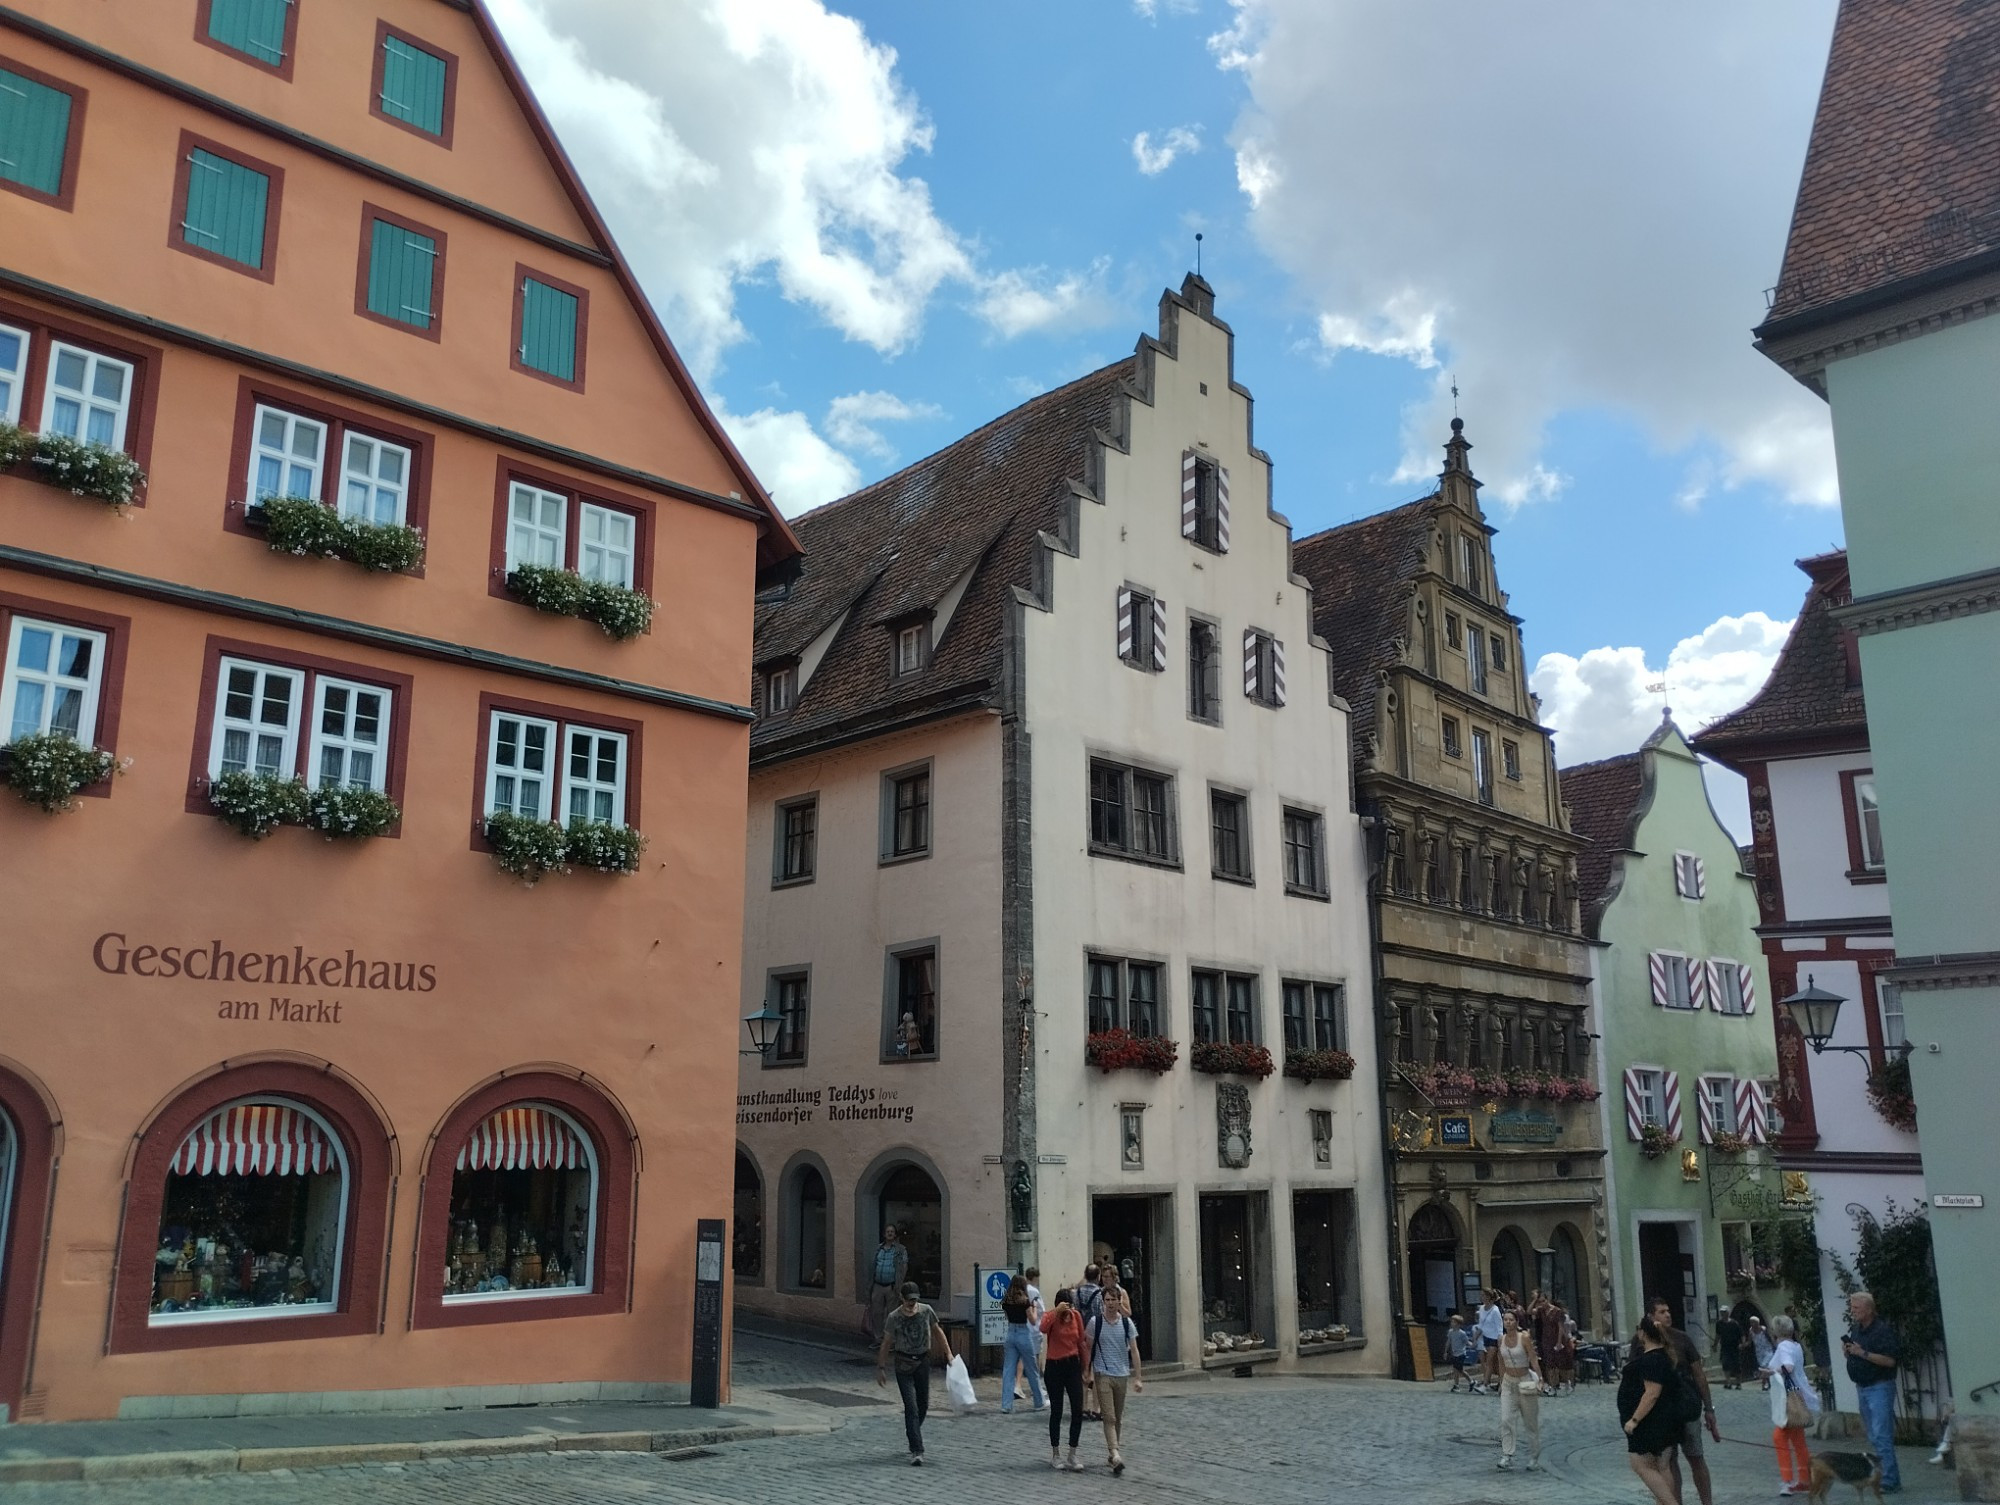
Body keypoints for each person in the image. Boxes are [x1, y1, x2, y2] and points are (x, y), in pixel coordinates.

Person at [1627, 1297, 1717, 1505]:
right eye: (1661, 1311)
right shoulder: (1640, 1341)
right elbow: (1636, 1376)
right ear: (1651, 1316)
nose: (1667, 1314)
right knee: (1668, 1461)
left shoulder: (1682, 1339)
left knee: (1696, 1457)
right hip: (1660, 1413)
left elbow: (1699, 1375)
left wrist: (1709, 1408)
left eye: (1668, 1311)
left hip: (1686, 1408)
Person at [875, 1281, 955, 1467]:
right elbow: (886, 1343)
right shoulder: (894, 1317)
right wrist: (881, 1367)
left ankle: (912, 1432)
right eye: (909, 1300)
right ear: (902, 1299)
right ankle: (917, 1450)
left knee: (923, 1405)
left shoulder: (926, 1311)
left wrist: (948, 1353)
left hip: (922, 1361)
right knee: (911, 1406)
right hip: (903, 1363)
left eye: (915, 1300)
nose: (912, 1304)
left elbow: (938, 1332)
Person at [1622, 1317, 1688, 1505]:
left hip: (1653, 1423)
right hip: (1666, 1420)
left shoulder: (1652, 1360)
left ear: (1642, 1333)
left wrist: (1634, 1420)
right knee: (1662, 1466)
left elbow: (1652, 1393)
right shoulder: (1664, 1356)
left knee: (1640, 1464)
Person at [1843, 1291, 1901, 1493]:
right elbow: (1857, 1355)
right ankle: (1885, 1475)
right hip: (1863, 1387)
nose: (1853, 1311)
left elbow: (1890, 1360)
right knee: (1874, 1435)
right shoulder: (1857, 1329)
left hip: (1880, 1386)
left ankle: (1889, 1480)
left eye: (1856, 1308)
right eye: (1852, 1307)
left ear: (1868, 1309)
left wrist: (1862, 1353)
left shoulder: (1882, 1331)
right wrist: (1849, 1352)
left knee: (1882, 1434)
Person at [1085, 1286, 1144, 1475]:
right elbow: (1088, 1347)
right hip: (1103, 1373)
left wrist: (1138, 1378)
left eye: (1113, 1300)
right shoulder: (1096, 1322)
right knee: (1108, 1416)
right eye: (1107, 1300)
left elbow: (1134, 1350)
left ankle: (1113, 1452)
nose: (1110, 1304)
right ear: (1103, 1302)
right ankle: (1115, 1453)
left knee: (1117, 1418)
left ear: (1120, 1302)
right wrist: (1088, 1372)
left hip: (1122, 1375)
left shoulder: (1127, 1324)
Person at [1761, 1312, 1818, 1496]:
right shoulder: (1795, 1345)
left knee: (1779, 1437)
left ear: (1776, 1330)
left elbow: (1788, 1367)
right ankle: (1805, 1478)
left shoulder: (1783, 1346)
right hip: (1799, 1394)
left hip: (1788, 1397)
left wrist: (1770, 1372)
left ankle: (1787, 1480)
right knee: (1798, 1439)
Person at [1041, 1287, 1088, 1471]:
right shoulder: (1051, 1317)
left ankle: (1072, 1453)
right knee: (1057, 1411)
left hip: (1072, 1365)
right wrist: (1056, 1312)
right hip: (1054, 1366)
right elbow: (1042, 1327)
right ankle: (1055, 1453)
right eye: (1065, 1305)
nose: (1068, 1309)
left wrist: (1086, 1368)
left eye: (1070, 1304)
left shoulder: (1076, 1317)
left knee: (1077, 1409)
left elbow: (1081, 1342)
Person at [1493, 1309, 1542, 1471]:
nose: (1507, 1322)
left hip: (1525, 1381)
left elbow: (1533, 1358)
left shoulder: (1524, 1338)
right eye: (1505, 1320)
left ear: (1517, 1322)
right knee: (1506, 1419)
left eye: (1511, 1320)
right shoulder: (1501, 1339)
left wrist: (1541, 1379)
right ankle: (1507, 1454)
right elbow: (1500, 1362)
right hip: (1509, 1382)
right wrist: (1501, 1382)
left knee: (1530, 1422)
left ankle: (1534, 1457)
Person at [999, 1273, 1045, 1414]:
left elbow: (1007, 1318)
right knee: (1032, 1369)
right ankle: (1039, 1401)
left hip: (1011, 1333)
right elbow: (1032, 1320)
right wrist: (1034, 1308)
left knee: (1008, 1370)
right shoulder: (1024, 1301)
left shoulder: (1006, 1300)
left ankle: (1006, 1404)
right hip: (1023, 1333)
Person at [863, 1225, 908, 1342]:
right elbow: (872, 1266)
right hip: (877, 1285)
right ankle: (878, 1338)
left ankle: (890, 1340)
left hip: (891, 1286)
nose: (890, 1233)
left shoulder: (900, 1250)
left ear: (895, 1234)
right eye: (887, 1231)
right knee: (876, 1313)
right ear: (884, 1234)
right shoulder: (878, 1249)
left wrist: (899, 1284)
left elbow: (904, 1266)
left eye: (892, 1232)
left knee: (891, 1314)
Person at [1476, 1290, 1505, 1390]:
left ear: (1489, 1297)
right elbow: (1481, 1325)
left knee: (1489, 1361)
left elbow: (1499, 1327)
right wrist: (1475, 1338)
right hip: (1486, 1338)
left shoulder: (1495, 1310)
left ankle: (1485, 1384)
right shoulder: (1481, 1309)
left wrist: (1500, 1341)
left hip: (1494, 1339)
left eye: (1484, 1295)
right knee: (1493, 1363)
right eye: (1481, 1295)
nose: (1482, 1297)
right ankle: (1501, 1382)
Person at [1445, 1314, 1476, 1392]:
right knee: (1456, 1370)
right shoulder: (1450, 1332)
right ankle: (1460, 1384)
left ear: (1459, 1324)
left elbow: (1466, 1341)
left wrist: (1472, 1344)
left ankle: (1464, 1383)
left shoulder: (1462, 1333)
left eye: (1454, 1322)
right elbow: (1448, 1342)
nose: (1452, 1324)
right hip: (1454, 1353)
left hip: (1461, 1353)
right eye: (1452, 1322)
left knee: (1458, 1369)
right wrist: (1446, 1351)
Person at [1715, 1309, 1744, 1390]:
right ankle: (1728, 1382)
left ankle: (1738, 1383)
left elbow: (1741, 1334)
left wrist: (1742, 1344)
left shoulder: (1734, 1323)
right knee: (1725, 1364)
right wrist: (1715, 1345)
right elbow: (1718, 1335)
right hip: (1725, 1347)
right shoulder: (1719, 1323)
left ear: (1728, 1313)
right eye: (1721, 1312)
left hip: (1734, 1347)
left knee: (1737, 1365)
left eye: (1724, 1312)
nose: (1722, 1314)